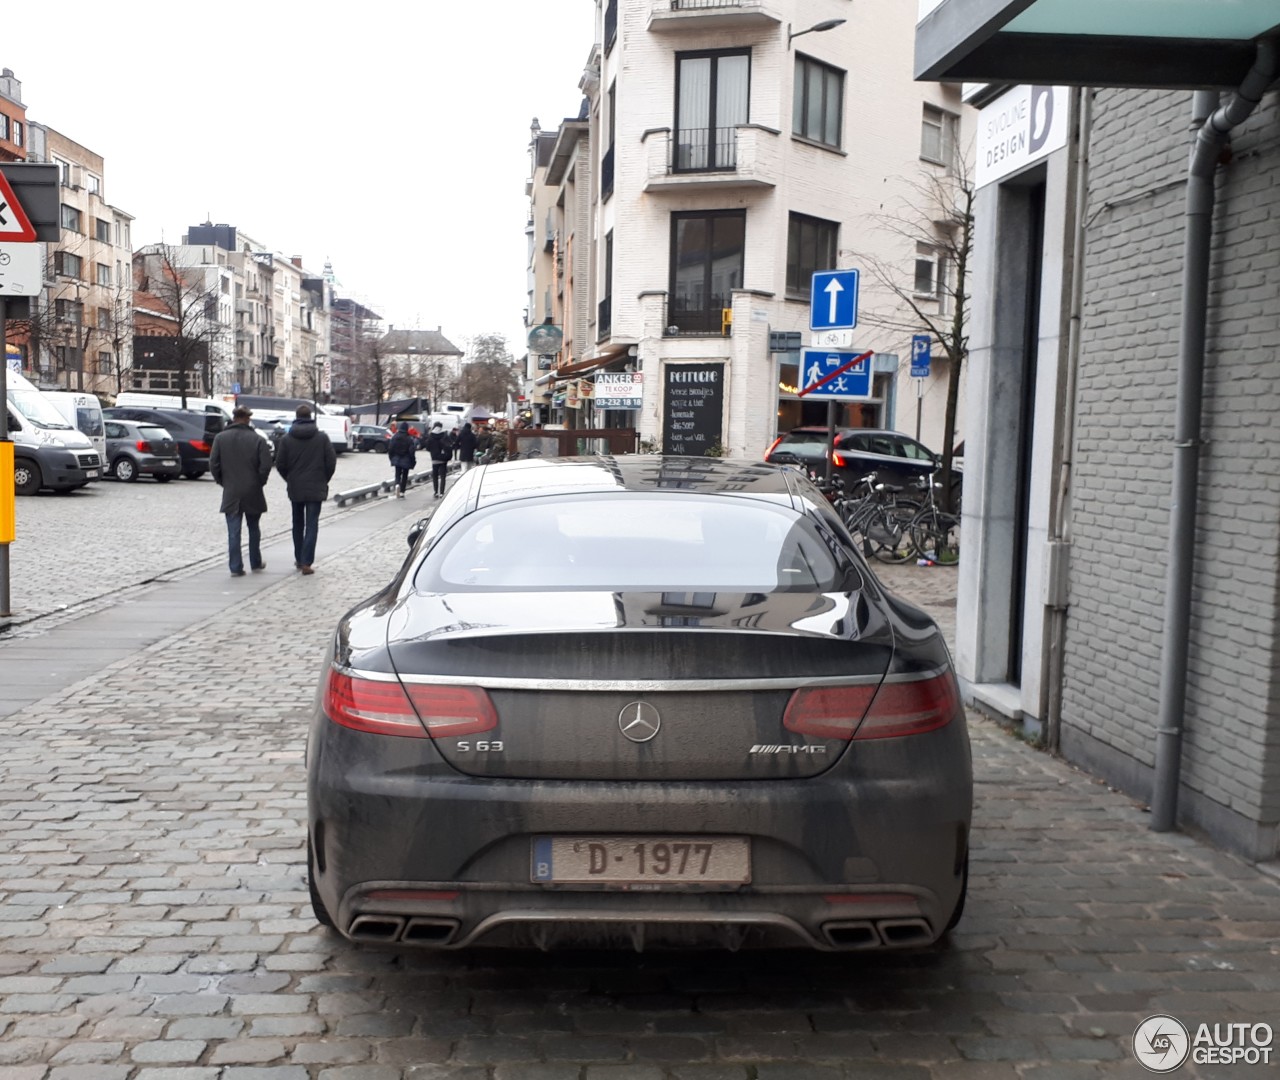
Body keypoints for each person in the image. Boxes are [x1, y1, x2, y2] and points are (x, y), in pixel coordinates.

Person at [209, 405, 273, 577]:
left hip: (231, 491)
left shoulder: (220, 438)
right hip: (252, 490)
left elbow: (213, 464)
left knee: (234, 532)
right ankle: (255, 561)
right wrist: (259, 482)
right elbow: (266, 465)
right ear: (247, 419)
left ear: (234, 418)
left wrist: (224, 482)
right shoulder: (258, 440)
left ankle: (236, 567)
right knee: (254, 528)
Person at [274, 404, 337, 575]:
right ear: (310, 417)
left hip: (296, 487)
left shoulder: (287, 439)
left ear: (296, 417)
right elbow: (331, 462)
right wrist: (323, 479)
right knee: (312, 524)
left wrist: (290, 479)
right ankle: (306, 561)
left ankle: (299, 557)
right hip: (316, 486)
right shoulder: (322, 438)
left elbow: (280, 464)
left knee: (297, 523)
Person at [387, 421, 417, 498]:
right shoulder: (409, 439)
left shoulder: (395, 437)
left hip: (396, 459)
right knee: (405, 476)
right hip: (406, 460)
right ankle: (402, 491)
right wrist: (413, 461)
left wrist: (391, 458)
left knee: (397, 474)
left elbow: (390, 449)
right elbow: (411, 451)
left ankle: (397, 485)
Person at [424, 421, 452, 498]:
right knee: (443, 477)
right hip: (443, 459)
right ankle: (442, 492)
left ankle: (436, 491)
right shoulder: (444, 435)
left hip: (434, 459)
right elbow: (449, 445)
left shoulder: (431, 436)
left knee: (435, 476)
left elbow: (427, 448)